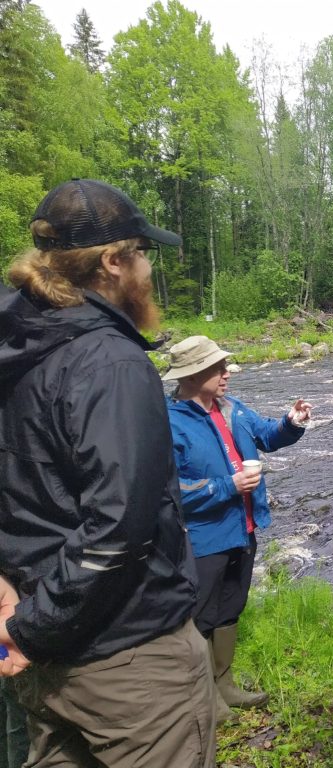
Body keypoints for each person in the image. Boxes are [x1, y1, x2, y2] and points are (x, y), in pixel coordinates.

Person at [0, 178, 216, 767]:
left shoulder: (15, 343)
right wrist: (33, 627)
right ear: (113, 263)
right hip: (128, 660)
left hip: (38, 650)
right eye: (142, 253)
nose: (148, 268)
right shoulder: (111, 363)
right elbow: (118, 527)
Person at [163, 336, 311, 724]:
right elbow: (170, 491)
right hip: (202, 536)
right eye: (217, 368)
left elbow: (267, 435)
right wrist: (228, 486)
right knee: (200, 616)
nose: (226, 373)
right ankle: (202, 698)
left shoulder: (232, 407)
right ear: (192, 376)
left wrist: (291, 423)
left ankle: (224, 685)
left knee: (231, 607)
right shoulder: (169, 423)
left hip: (243, 530)